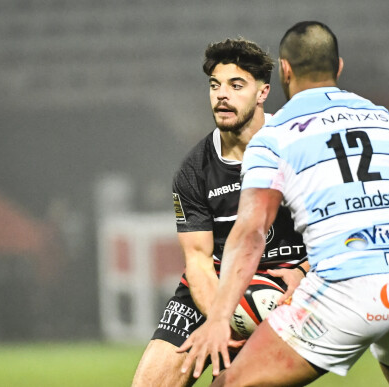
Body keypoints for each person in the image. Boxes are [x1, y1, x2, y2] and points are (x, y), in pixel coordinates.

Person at [178, 21, 389, 386]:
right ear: (338, 67)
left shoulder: (274, 137)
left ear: (285, 69)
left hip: (344, 290)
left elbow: (251, 232)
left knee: (228, 384)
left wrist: (217, 319)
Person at [131, 38, 309, 387]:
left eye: (236, 85)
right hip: (214, 288)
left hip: (289, 287)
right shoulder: (194, 170)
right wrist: (221, 322)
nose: (221, 95)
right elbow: (197, 261)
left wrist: (305, 270)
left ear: (262, 93)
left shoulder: (298, 146)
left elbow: (341, 225)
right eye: (215, 85)